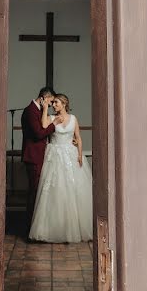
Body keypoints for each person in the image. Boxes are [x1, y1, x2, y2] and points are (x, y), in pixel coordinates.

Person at [29, 94, 93, 243]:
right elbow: (44, 126)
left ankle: (75, 228)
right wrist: (45, 109)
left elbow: (78, 137)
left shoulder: (73, 118)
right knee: (57, 191)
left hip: (70, 155)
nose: (54, 105)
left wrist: (79, 154)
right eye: (53, 104)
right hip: (55, 157)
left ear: (64, 103)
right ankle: (55, 229)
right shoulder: (51, 118)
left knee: (74, 190)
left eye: (56, 103)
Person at [21, 86, 61, 230]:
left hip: (39, 156)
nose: (50, 106)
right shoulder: (30, 111)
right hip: (33, 157)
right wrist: (54, 125)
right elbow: (38, 133)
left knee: (37, 192)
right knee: (34, 192)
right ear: (44, 97)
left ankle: (35, 226)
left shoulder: (36, 110)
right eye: (50, 102)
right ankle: (29, 228)